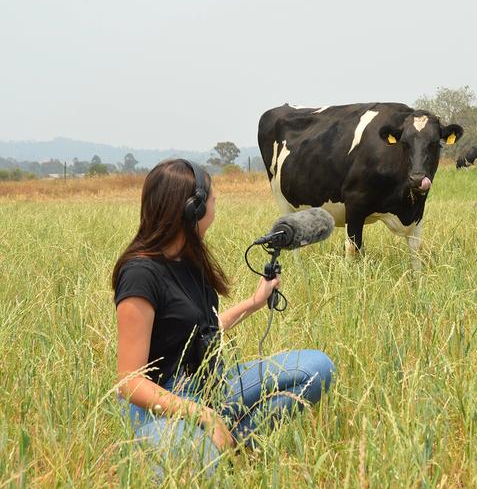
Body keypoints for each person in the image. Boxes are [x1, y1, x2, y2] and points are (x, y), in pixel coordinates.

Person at [112, 158, 334, 477]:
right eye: (213, 200)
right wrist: (202, 415)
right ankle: (206, 443)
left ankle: (235, 442)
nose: (216, 207)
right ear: (193, 209)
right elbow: (130, 382)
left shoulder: (188, 259)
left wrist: (254, 303)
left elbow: (201, 330)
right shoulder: (140, 275)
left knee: (317, 369)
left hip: (215, 385)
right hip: (165, 401)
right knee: (193, 467)